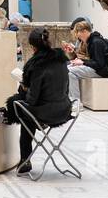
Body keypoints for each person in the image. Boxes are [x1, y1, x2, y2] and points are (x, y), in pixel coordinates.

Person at [6, 27, 72, 176]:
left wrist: (23, 87)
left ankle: (25, 159)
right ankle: (25, 159)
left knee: (19, 107)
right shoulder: (61, 60)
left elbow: (32, 99)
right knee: (25, 109)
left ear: (32, 46)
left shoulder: (36, 65)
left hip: (45, 113)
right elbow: (66, 88)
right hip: (64, 110)